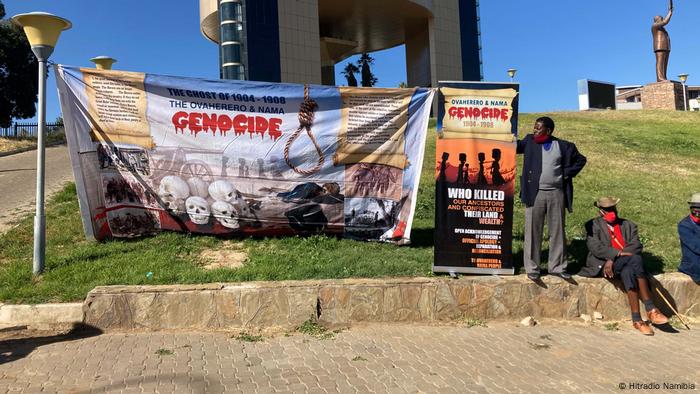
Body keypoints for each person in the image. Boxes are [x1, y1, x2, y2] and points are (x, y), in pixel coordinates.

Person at [579, 197, 668, 335]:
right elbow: (595, 248)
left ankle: (637, 320)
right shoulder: (592, 225)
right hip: (603, 265)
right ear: (600, 211)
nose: (611, 212)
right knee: (636, 259)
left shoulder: (628, 225)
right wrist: (614, 255)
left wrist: (614, 258)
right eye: (607, 210)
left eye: (613, 208)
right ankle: (651, 309)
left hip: (622, 263)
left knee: (629, 270)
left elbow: (636, 245)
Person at [517, 116, 587, 281]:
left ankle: (557, 267)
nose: (535, 130)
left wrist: (566, 173)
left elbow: (581, 159)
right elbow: (512, 146)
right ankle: (532, 268)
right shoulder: (529, 141)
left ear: (548, 130)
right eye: (534, 127)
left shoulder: (563, 146)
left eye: (538, 128)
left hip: (557, 193)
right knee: (533, 232)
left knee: (557, 232)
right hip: (535, 193)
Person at [678, 192, 700, 283]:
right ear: (691, 208)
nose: (698, 211)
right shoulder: (684, 225)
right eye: (696, 208)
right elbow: (697, 246)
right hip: (694, 265)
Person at [652, 0, 673, 82]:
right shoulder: (654, 26)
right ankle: (659, 77)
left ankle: (664, 76)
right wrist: (670, 12)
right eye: (661, 19)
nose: (662, 19)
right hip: (659, 46)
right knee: (660, 62)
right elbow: (665, 22)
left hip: (666, 47)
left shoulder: (662, 29)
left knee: (665, 63)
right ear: (657, 20)